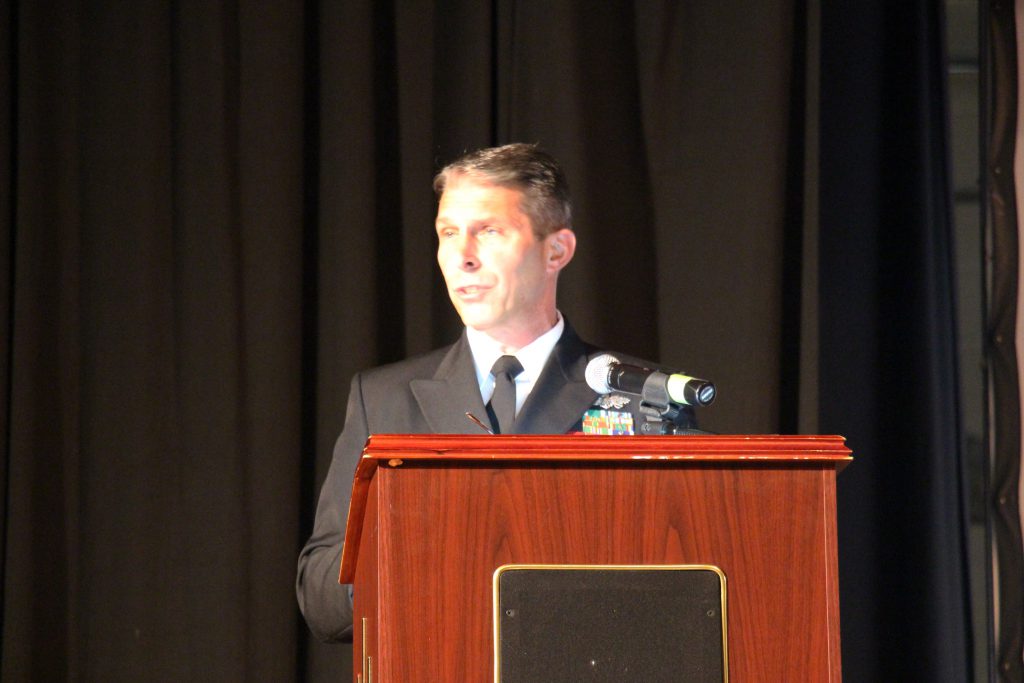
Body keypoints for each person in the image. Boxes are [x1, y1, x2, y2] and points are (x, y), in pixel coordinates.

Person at [296, 143, 697, 641]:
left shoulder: (646, 399)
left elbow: (684, 596)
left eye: (488, 231)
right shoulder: (382, 399)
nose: (462, 257)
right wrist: (410, 550)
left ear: (557, 250)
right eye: (448, 233)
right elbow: (321, 602)